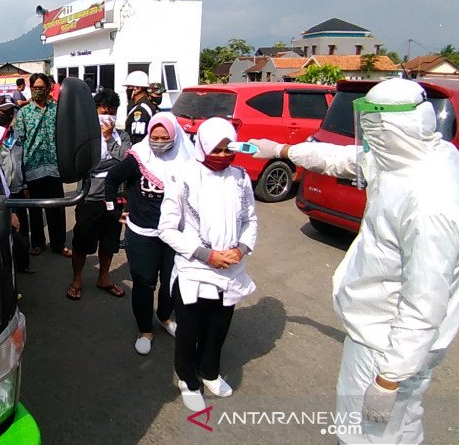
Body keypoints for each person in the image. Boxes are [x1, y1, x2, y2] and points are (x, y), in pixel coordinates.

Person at [249, 78, 459, 445]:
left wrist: (390, 377)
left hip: (387, 342)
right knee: (403, 426)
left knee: (365, 434)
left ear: (390, 127)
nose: (368, 137)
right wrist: (281, 149)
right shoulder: (414, 156)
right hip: (389, 334)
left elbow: (425, 301)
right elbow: (343, 159)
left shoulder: (430, 200)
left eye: (372, 126)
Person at [158, 117, 257, 411]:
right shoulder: (182, 177)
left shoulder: (240, 177)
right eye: (218, 149)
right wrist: (207, 255)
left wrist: (240, 249)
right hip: (195, 270)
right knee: (189, 329)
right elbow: (167, 229)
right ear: (202, 146)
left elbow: (250, 220)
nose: (225, 155)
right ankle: (188, 379)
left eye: (230, 148)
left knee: (218, 327)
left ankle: (210, 372)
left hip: (230, 269)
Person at [105, 112, 195, 354]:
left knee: (172, 283)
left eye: (164, 137)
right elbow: (112, 179)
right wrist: (113, 211)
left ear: (175, 137)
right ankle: (144, 330)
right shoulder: (139, 157)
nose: (158, 142)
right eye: (154, 137)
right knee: (144, 285)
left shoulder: (188, 160)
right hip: (142, 234)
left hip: (175, 235)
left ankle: (165, 317)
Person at [67, 88, 131, 300]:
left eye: (112, 112)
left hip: (114, 198)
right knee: (82, 240)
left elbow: (127, 161)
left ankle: (103, 277)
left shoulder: (122, 136)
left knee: (109, 241)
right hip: (89, 197)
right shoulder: (86, 136)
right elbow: (84, 164)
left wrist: (110, 141)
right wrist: (112, 161)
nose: (107, 117)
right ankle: (76, 279)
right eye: (103, 112)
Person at [13, 72, 72, 258]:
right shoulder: (24, 113)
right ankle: (37, 243)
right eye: (35, 88)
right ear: (31, 88)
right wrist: (21, 178)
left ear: (48, 88)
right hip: (32, 169)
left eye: (41, 87)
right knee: (36, 210)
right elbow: (18, 145)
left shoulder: (57, 110)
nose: (38, 91)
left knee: (56, 208)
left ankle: (58, 243)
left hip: (54, 167)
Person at [0, 94, 34, 275]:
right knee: (7, 231)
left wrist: (25, 184)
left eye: (11, 111)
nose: (9, 115)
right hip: (1, 194)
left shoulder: (15, 134)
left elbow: (21, 161)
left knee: (22, 228)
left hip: (17, 189)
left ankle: (23, 263)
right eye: (5, 111)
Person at [124, 71, 163, 144]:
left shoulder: (140, 110)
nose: (127, 90)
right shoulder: (145, 105)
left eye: (129, 87)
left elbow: (138, 140)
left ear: (138, 88)